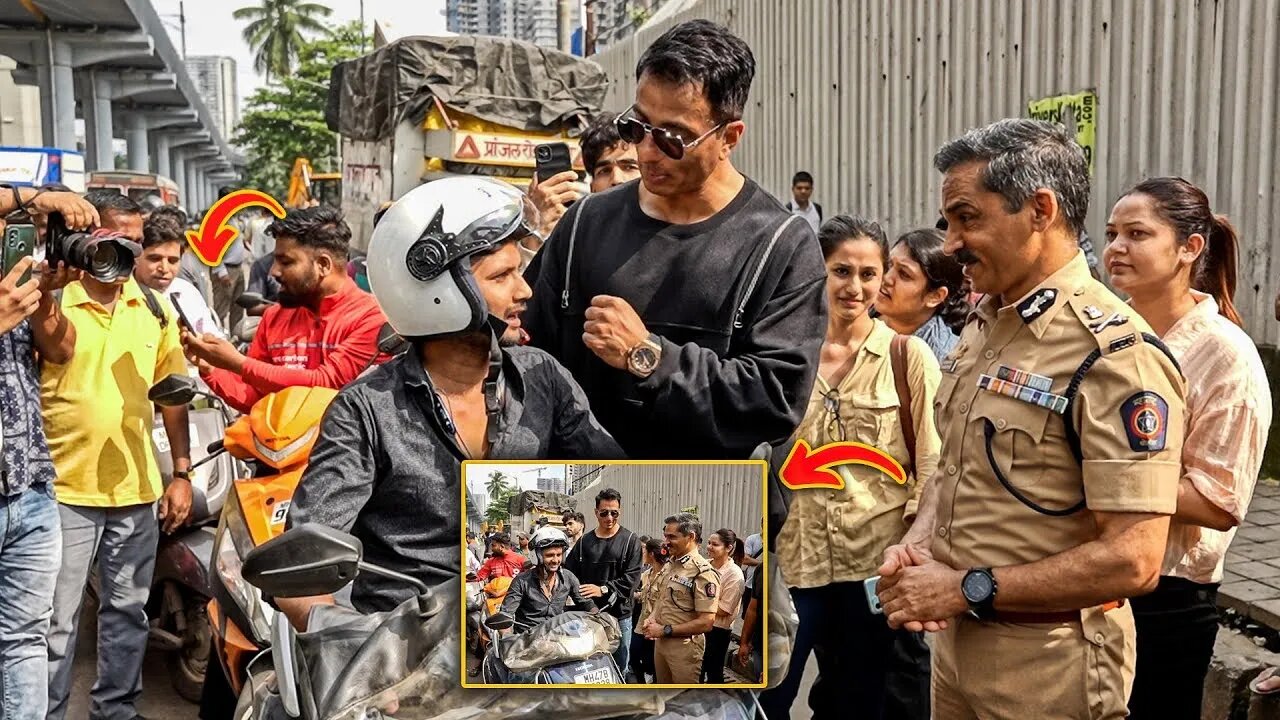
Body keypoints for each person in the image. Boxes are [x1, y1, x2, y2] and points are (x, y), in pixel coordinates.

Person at [876, 118, 1186, 720]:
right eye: (948, 223)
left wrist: (967, 587)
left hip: (1049, 667)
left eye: (969, 219)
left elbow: (1135, 558)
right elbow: (958, 468)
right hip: (957, 652)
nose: (950, 244)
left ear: (1040, 210)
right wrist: (919, 544)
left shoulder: (1117, 356)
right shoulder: (987, 323)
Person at [283, 178, 622, 625]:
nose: (525, 291)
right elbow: (300, 568)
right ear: (436, 291)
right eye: (502, 276)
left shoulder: (543, 377)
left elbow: (613, 475)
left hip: (521, 643)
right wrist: (351, 647)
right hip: (407, 654)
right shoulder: (365, 410)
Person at [523, 19, 826, 459]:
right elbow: (525, 351)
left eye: (673, 138)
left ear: (729, 138)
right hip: (581, 505)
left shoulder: (780, 244)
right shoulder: (586, 222)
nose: (646, 151)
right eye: (637, 126)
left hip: (707, 514)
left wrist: (647, 356)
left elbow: (774, 401)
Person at [1103, 177, 1272, 719]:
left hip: (1165, 596)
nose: (1116, 248)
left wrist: (1098, 479)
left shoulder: (1225, 355)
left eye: (1137, 234)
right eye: (1111, 234)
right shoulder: (1105, 335)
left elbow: (1219, 501)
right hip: (1089, 575)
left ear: (1189, 248)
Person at [762, 215, 939, 720]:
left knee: (859, 705)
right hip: (792, 568)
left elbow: (932, 465)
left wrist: (912, 552)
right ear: (816, 272)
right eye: (841, 271)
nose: (855, 287)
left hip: (873, 573)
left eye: (868, 274)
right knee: (767, 698)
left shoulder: (908, 358)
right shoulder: (782, 357)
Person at [43, 190, 194, 720]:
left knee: (127, 612)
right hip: (62, 489)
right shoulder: (52, 298)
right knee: (56, 620)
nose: (127, 253)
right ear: (85, 240)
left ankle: (116, 710)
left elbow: (171, 396)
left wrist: (180, 473)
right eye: (114, 240)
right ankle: (49, 711)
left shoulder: (152, 306)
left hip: (135, 488)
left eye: (135, 240)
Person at [0, 185, 93, 720]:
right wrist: (37, 195)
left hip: (30, 487)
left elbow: (60, 350)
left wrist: (46, 297)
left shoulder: (17, 283)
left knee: (25, 640)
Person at [182, 205, 390, 414]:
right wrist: (211, 369)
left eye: (286, 261)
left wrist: (238, 363)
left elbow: (325, 383)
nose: (274, 271)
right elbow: (256, 399)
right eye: (275, 260)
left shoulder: (372, 319)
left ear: (323, 265)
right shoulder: (274, 317)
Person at [524, 111, 641, 267]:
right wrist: (538, 232)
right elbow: (527, 289)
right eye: (604, 171)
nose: (616, 180)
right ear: (592, 187)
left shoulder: (672, 234)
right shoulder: (574, 242)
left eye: (629, 167)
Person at [562, 488, 644, 673]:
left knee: (619, 665)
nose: (609, 517)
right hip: (588, 615)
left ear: (619, 512)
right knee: (588, 665)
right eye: (604, 512)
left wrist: (604, 589)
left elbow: (632, 579)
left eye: (614, 513)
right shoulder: (583, 543)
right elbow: (569, 576)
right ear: (595, 512)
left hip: (619, 616)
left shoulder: (631, 541)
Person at [640, 512, 718, 684]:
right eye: (665, 536)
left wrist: (665, 630)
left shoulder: (703, 572)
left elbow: (706, 622)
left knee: (684, 701)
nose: (666, 542)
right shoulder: (671, 563)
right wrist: (652, 618)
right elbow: (662, 597)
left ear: (690, 537)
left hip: (684, 649)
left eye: (672, 537)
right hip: (661, 643)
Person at [875, 228, 969, 361]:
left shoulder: (940, 358)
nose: (886, 278)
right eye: (889, 264)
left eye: (904, 274)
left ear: (935, 296)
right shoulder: (858, 314)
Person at [135, 213, 224, 337]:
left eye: (173, 261)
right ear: (136, 257)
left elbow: (213, 337)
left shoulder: (186, 292)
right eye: (154, 259)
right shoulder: (119, 297)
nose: (164, 269)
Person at [499, 526, 594, 633]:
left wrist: (598, 616)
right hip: (527, 642)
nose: (555, 560)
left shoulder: (568, 577)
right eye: (550, 555)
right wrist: (507, 638)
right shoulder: (521, 581)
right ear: (536, 556)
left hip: (558, 638)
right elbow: (506, 615)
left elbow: (586, 603)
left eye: (559, 555)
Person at [700, 528, 744, 684]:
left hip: (717, 631)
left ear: (729, 548)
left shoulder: (734, 574)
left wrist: (698, 603)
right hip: (698, 625)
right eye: (709, 543)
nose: (709, 547)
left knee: (713, 672)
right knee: (696, 669)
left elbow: (725, 610)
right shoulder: (704, 565)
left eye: (715, 544)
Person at [630, 536, 669, 683]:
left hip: (656, 624)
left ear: (651, 554)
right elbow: (643, 595)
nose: (642, 555)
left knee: (651, 662)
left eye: (644, 551)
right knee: (633, 655)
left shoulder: (667, 575)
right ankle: (642, 684)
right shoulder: (646, 574)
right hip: (642, 622)